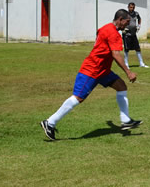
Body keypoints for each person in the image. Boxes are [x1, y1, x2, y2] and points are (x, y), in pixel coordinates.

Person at [40, 9, 142, 140]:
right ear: (120, 19)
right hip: (92, 70)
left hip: (103, 71)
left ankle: (125, 120)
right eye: (127, 22)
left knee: (121, 87)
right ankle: (50, 122)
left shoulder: (105, 28)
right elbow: (116, 54)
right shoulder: (114, 34)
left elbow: (99, 36)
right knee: (78, 98)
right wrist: (128, 72)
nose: (127, 25)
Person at [122, 2, 148, 68]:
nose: (132, 8)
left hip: (133, 34)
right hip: (127, 34)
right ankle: (126, 64)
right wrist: (123, 28)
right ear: (128, 7)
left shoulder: (136, 14)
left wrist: (139, 25)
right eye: (131, 7)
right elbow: (120, 21)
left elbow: (139, 19)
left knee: (137, 48)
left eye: (133, 7)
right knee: (126, 49)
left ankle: (141, 63)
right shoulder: (125, 14)